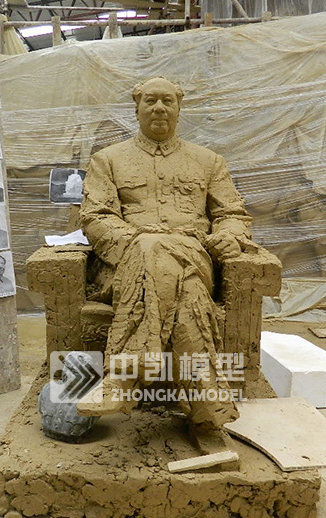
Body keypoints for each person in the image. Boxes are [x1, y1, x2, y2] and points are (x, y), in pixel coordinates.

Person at [77, 77, 254, 429]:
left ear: (178, 108)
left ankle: (123, 377)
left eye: (167, 101)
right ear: (137, 109)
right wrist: (139, 245)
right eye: (151, 101)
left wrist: (230, 236)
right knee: (187, 292)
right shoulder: (107, 160)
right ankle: (208, 408)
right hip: (127, 265)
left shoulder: (209, 161)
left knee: (158, 251)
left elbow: (232, 213)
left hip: (193, 255)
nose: (159, 108)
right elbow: (96, 217)